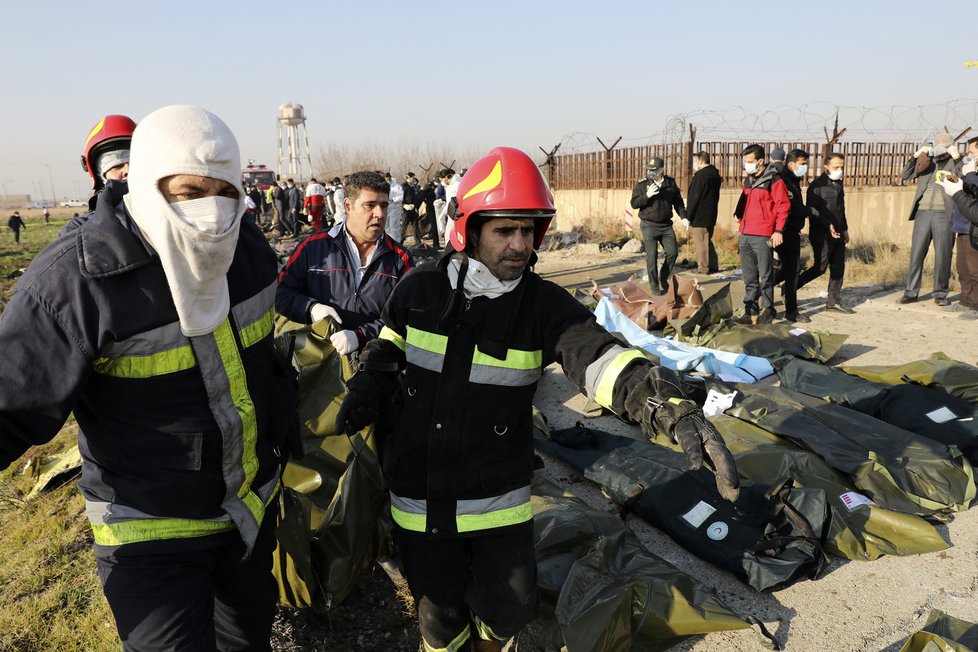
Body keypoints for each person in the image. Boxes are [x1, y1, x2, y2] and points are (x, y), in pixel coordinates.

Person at [333, 147, 739, 652]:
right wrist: (372, 380)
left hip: (498, 501)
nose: (521, 244)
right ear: (470, 229)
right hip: (420, 499)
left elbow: (599, 358)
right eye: (506, 230)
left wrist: (661, 402)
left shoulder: (545, 307)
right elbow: (392, 339)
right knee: (438, 619)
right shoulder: (420, 288)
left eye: (529, 230)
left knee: (508, 611)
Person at [0, 105, 296, 650]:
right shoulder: (77, 282)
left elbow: (260, 366)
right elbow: (10, 405)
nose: (210, 211)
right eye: (187, 191)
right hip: (149, 529)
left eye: (223, 190)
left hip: (247, 517)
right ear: (144, 183)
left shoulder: (248, 249)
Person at [276, 171, 413, 355]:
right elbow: (281, 293)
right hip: (321, 366)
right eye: (370, 205)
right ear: (348, 206)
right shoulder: (313, 248)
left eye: (384, 205)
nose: (379, 214)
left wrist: (362, 336)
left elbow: (406, 317)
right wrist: (311, 308)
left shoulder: (401, 258)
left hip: (377, 369)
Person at [897, 133, 963, 305]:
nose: (938, 148)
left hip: (945, 213)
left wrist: (958, 158)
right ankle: (911, 292)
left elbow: (964, 178)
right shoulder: (927, 162)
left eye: (942, 145)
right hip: (923, 212)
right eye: (936, 144)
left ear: (950, 146)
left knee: (943, 254)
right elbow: (905, 175)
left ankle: (940, 294)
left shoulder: (954, 162)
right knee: (917, 253)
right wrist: (915, 156)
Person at [733, 144, 789, 324]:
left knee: (765, 274)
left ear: (760, 161)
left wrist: (778, 230)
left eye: (750, 162)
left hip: (763, 234)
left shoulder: (774, 180)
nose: (747, 165)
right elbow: (745, 199)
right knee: (749, 276)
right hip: (745, 233)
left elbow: (783, 205)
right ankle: (750, 310)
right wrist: (739, 215)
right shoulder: (748, 180)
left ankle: (768, 309)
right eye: (745, 162)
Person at [62, 115, 138, 236]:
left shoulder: (165, 215)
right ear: (98, 176)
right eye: (116, 166)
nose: (128, 170)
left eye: (134, 163)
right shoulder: (79, 231)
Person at [797, 152, 854, 314]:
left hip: (839, 233)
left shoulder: (839, 184)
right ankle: (791, 287)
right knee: (820, 268)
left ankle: (833, 302)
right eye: (836, 167)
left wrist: (845, 229)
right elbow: (814, 212)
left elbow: (841, 210)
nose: (839, 170)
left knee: (838, 268)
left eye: (841, 167)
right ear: (826, 167)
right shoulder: (817, 186)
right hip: (821, 234)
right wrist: (828, 226)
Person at [629, 157, 687, 295]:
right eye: (649, 169)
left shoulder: (670, 183)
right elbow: (634, 203)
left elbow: (678, 203)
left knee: (673, 252)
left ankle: (663, 276)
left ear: (661, 170)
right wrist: (647, 196)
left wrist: (684, 217)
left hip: (666, 225)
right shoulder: (642, 184)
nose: (651, 172)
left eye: (654, 170)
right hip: (649, 225)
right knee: (652, 256)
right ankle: (654, 286)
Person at [936, 137, 978, 320]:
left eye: (972, 152)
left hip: (973, 227)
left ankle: (975, 305)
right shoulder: (971, 171)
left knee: (975, 269)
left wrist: (969, 177)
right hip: (962, 224)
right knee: (962, 267)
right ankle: (965, 301)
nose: (968, 155)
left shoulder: (973, 173)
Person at [773, 149, 811, 322]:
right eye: (802, 164)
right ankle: (791, 311)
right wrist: (810, 211)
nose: (805, 167)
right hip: (785, 230)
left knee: (788, 269)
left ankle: (758, 291)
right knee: (792, 270)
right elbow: (792, 207)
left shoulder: (792, 179)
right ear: (791, 164)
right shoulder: (785, 180)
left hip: (788, 230)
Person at [686, 151, 722, 274]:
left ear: (700, 161)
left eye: (696, 161)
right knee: (707, 241)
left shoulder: (701, 176)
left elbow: (694, 197)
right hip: (711, 213)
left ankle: (703, 268)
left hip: (699, 215)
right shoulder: (714, 174)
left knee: (701, 243)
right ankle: (712, 265)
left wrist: (688, 216)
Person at [401, 172, 423, 244]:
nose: (413, 179)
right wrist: (404, 205)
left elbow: (415, 197)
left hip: (413, 209)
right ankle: (400, 242)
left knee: (415, 226)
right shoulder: (404, 186)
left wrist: (416, 206)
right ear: (408, 177)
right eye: (412, 178)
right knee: (404, 226)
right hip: (406, 209)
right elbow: (402, 197)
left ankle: (418, 242)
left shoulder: (413, 186)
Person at [422, 176, 440, 249]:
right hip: (430, 207)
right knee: (434, 225)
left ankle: (436, 244)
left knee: (437, 226)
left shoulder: (438, 185)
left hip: (437, 207)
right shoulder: (428, 187)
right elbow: (423, 195)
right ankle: (435, 244)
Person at [385, 172, 404, 242]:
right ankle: (387, 243)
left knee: (394, 227)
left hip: (395, 207)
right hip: (386, 206)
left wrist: (393, 199)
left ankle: (396, 243)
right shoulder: (383, 185)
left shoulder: (397, 186)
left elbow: (401, 197)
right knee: (386, 227)